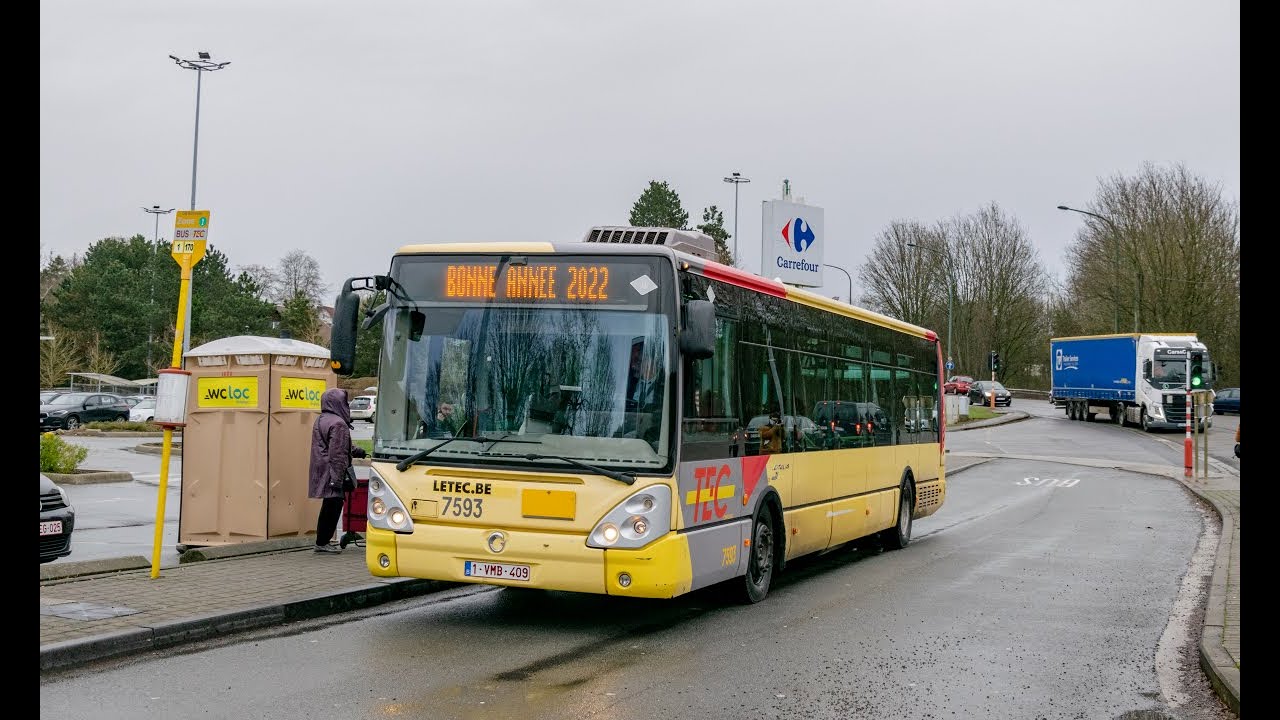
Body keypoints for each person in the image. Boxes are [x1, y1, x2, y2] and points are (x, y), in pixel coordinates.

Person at [309, 388, 356, 554]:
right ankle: (323, 542)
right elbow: (338, 454)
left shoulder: (322, 419)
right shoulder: (339, 423)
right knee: (333, 505)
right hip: (332, 472)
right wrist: (337, 479)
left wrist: (354, 449)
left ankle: (321, 541)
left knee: (328, 505)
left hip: (321, 468)